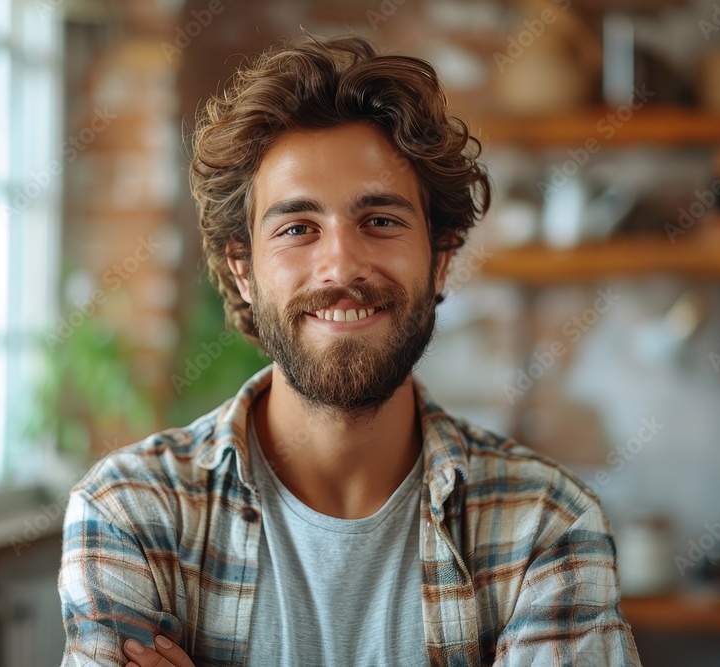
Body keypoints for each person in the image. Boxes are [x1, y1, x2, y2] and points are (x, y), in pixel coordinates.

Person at [59, 34, 642, 667]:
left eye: (381, 221)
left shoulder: (549, 527)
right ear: (243, 273)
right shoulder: (131, 515)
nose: (341, 264)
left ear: (440, 259)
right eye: (297, 229)